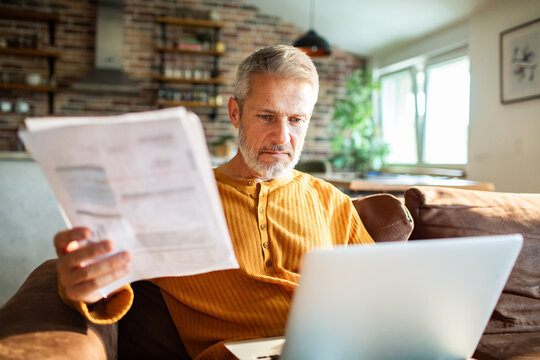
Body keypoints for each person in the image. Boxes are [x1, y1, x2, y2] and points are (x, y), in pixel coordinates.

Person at [54, 44, 374, 359]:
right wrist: (82, 287)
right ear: (235, 113)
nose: (281, 137)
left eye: (296, 120)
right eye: (266, 116)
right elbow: (104, 287)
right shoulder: (173, 200)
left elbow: (382, 292)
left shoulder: (332, 201)